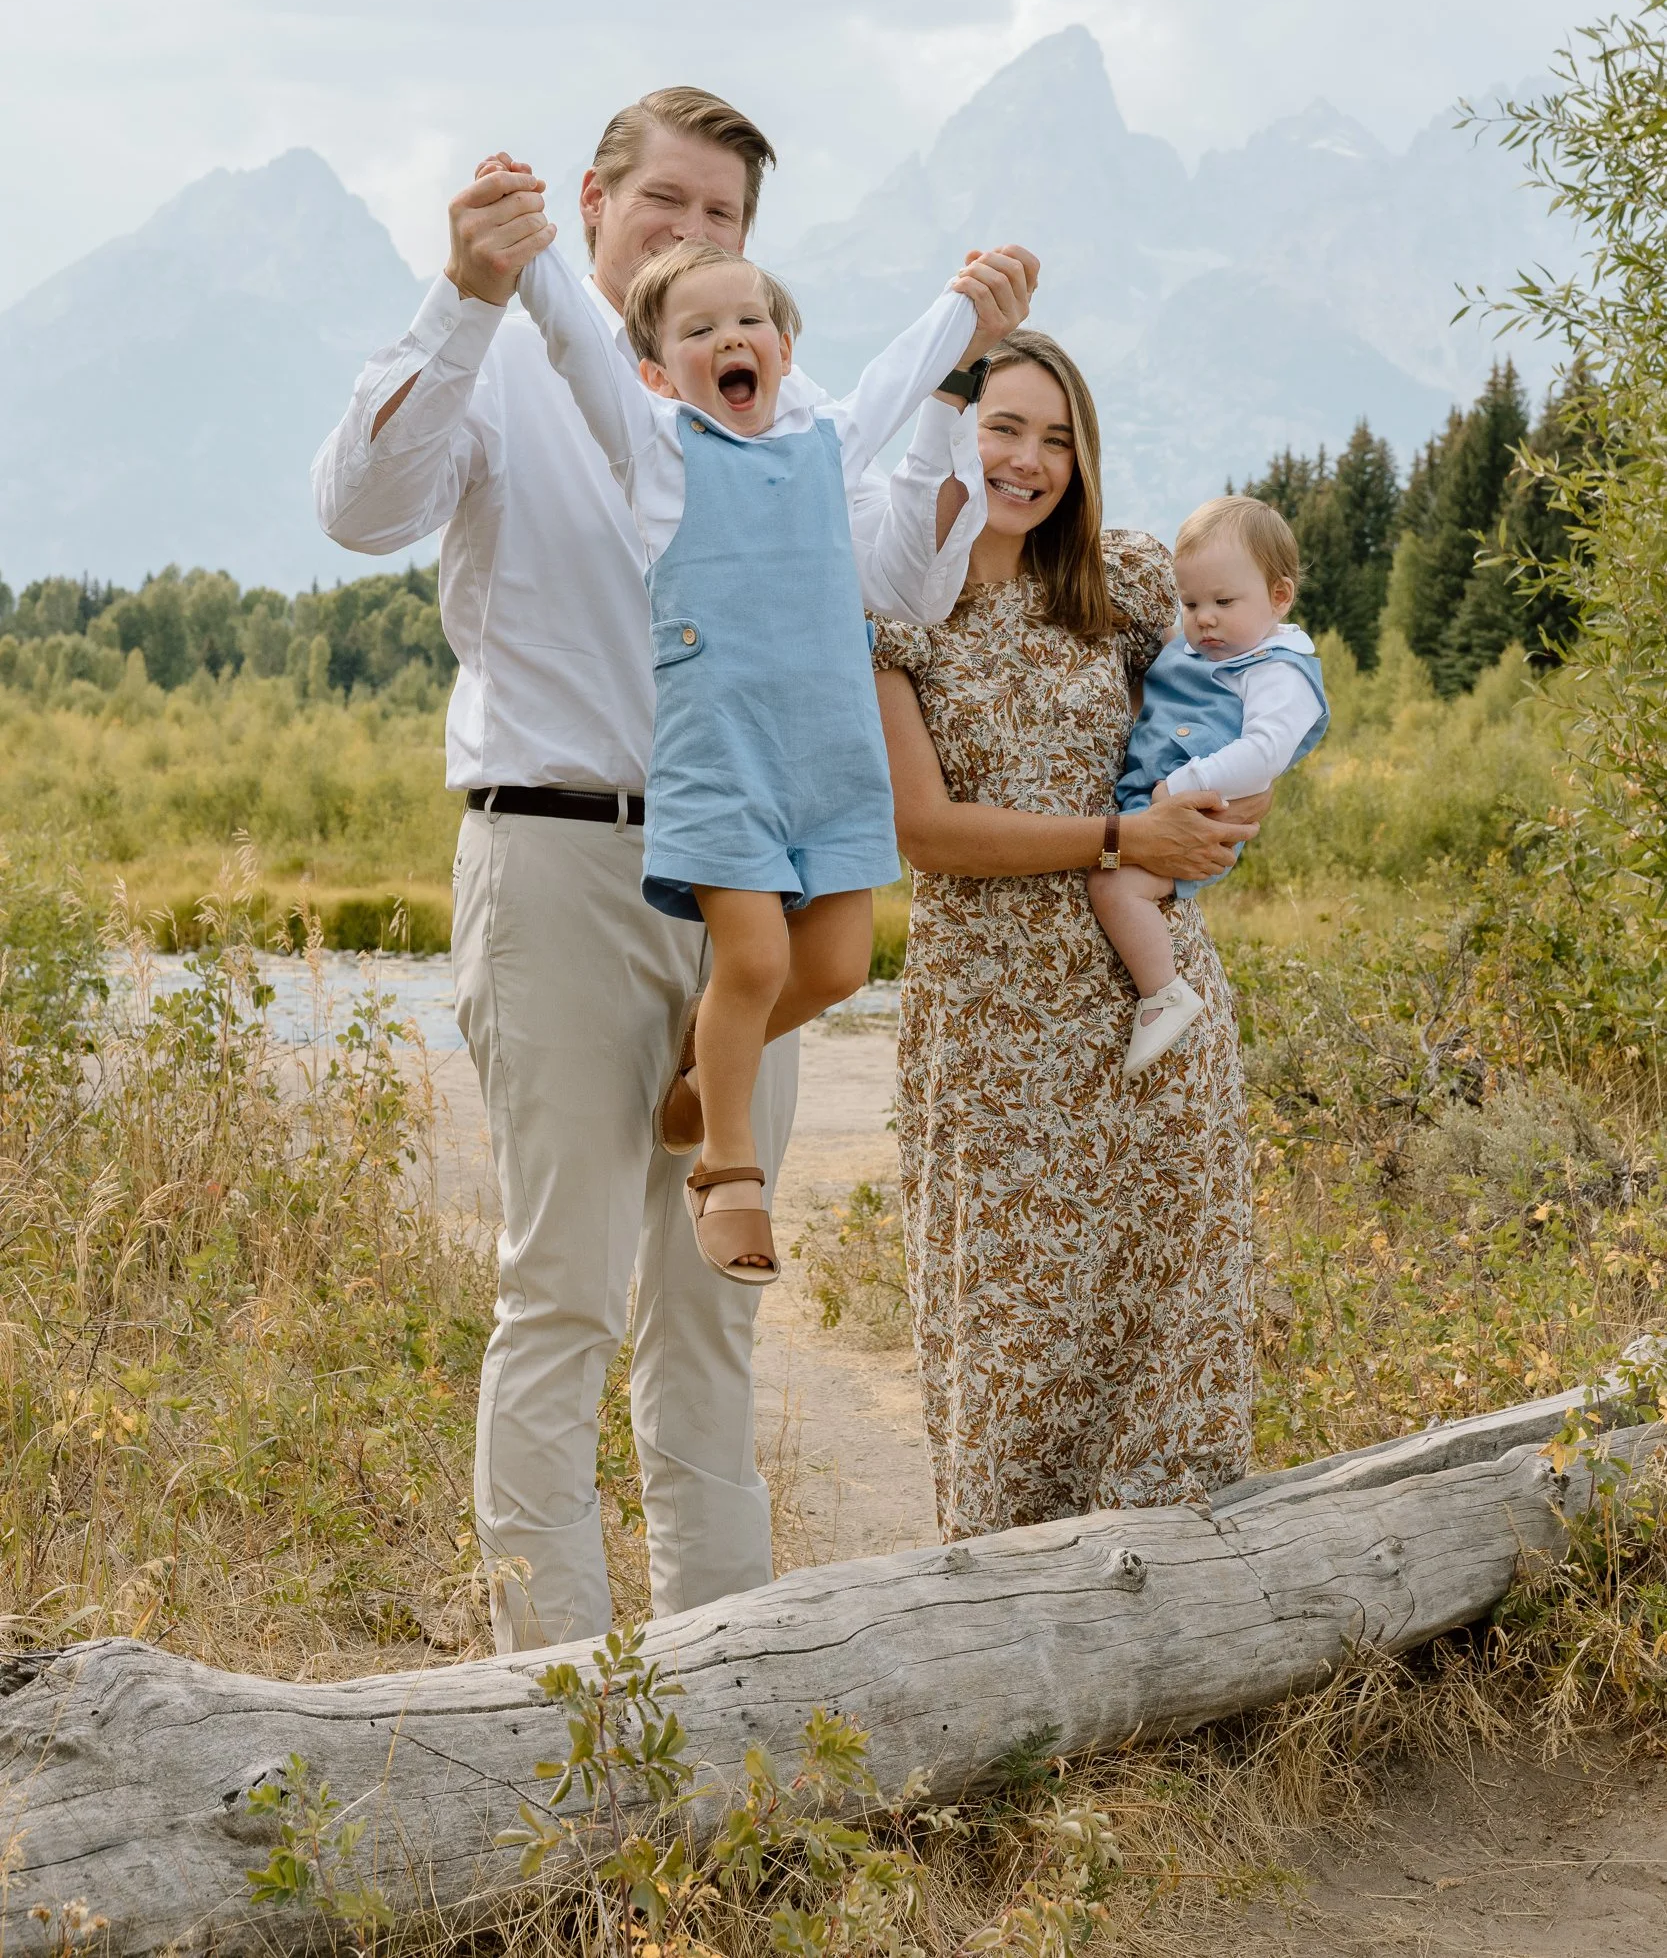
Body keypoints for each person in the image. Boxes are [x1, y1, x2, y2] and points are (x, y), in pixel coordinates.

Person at [312, 87, 1033, 1650]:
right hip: (560, 858)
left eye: (726, 223)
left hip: (749, 878)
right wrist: (463, 300)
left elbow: (898, 579)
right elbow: (355, 511)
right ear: (592, 204)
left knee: (711, 1317)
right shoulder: (505, 368)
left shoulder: (775, 398)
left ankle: (722, 1695)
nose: (695, 238)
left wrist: (947, 381)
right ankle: (558, 1699)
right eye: (670, 206)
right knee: (562, 1293)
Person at [515, 230, 1036, 1285]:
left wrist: (969, 315)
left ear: (785, 351)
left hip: (831, 763)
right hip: (725, 759)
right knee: (751, 960)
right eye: (699, 330)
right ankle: (727, 1165)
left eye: (749, 320)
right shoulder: (657, 455)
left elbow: (900, 371)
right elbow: (575, 347)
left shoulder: (827, 442)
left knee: (837, 966)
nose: (731, 338)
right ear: (658, 373)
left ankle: (695, 1071)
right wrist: (525, 256)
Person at [873, 327, 1266, 1540]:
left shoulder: (1131, 580)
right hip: (993, 1024)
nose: (1028, 461)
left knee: (1169, 1308)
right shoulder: (897, 606)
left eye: (1055, 437)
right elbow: (921, 830)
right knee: (1013, 1325)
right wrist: (1114, 842)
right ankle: (1007, 1651)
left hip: (1150, 999)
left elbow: (1251, 687)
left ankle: (1181, 1642)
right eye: (1002, 428)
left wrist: (1229, 805)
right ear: (951, 432)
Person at [1090, 493, 1329, 1078]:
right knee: (1114, 879)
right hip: (1157, 802)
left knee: (1115, 887)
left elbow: (1266, 752)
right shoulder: (1204, 651)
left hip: (1196, 814)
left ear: (1279, 596)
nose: (1204, 618)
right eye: (1191, 602)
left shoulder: (1277, 669)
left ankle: (1164, 993)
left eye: (1224, 601)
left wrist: (1187, 781)